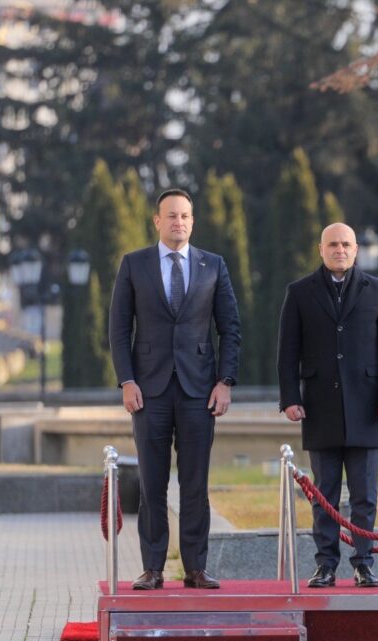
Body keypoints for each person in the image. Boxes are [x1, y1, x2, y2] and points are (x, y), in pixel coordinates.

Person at [109, 188, 242, 591]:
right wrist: (127, 380)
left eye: (184, 216)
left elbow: (230, 328)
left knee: (195, 483)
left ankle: (196, 568)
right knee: (152, 483)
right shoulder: (134, 265)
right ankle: (152, 568)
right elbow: (119, 329)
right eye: (170, 216)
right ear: (157, 221)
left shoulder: (213, 266)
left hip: (199, 391)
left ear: (192, 221)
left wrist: (225, 382)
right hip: (148, 391)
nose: (178, 222)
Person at [277, 222, 378, 589]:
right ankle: (325, 565)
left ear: (356, 249)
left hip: (367, 408)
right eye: (333, 244)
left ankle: (363, 563)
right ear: (321, 249)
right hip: (320, 408)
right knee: (324, 496)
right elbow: (287, 352)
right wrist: (290, 399)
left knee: (364, 495)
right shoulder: (299, 292)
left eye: (346, 244)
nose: (340, 250)